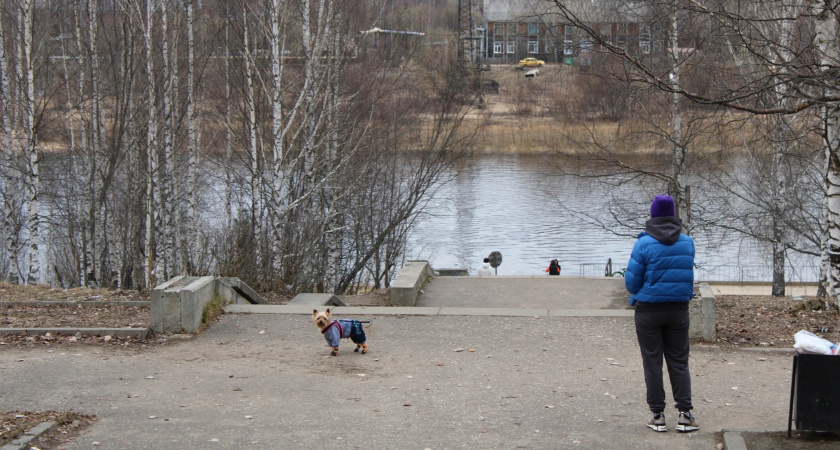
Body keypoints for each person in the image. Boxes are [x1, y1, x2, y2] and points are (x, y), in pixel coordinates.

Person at [624, 194, 699, 433]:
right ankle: (685, 415)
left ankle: (657, 416)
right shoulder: (687, 242)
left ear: (652, 215)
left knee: (652, 362)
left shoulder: (643, 244)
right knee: (679, 361)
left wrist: (642, 291)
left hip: (649, 311)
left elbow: (631, 282)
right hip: (678, 310)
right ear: (674, 215)